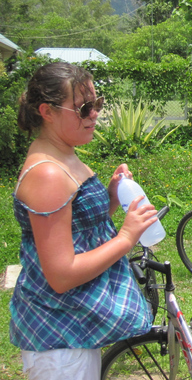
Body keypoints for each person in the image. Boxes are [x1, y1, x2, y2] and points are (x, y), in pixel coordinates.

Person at [10, 62, 156, 380]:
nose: (94, 114)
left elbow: (77, 230)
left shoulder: (63, 154)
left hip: (74, 327)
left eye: (97, 104)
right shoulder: (48, 173)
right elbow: (61, 275)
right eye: (84, 108)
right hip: (59, 340)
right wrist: (126, 238)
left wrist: (112, 196)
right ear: (47, 112)